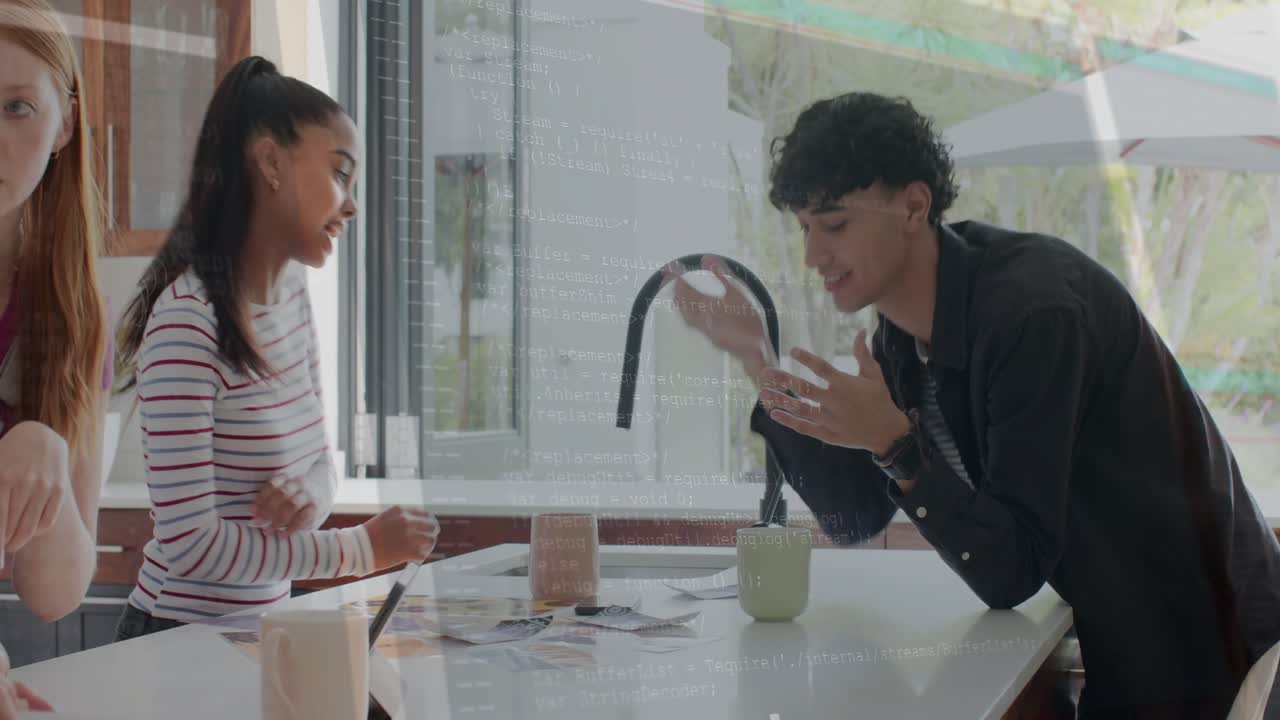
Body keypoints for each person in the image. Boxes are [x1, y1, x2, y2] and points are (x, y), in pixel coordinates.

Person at [668, 91, 1280, 718]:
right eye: (804, 228)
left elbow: (1011, 571)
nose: (813, 256)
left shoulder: (1033, 315)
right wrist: (756, 359)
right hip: (1133, 632)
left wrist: (895, 446)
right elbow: (856, 518)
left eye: (835, 224)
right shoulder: (903, 336)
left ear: (913, 205)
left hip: (1219, 647)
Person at [113, 56, 438, 639]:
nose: (352, 205)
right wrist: (358, 550)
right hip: (174, 633)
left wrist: (308, 491)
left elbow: (321, 457)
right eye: (341, 174)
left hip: (261, 626)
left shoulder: (292, 298)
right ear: (269, 161)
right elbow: (190, 547)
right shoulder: (188, 325)